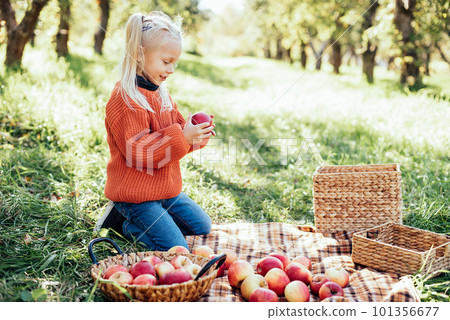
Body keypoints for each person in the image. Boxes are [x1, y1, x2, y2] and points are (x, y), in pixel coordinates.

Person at [101, 11, 215, 251]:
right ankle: (123, 224)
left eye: (175, 63)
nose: (171, 69)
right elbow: (139, 152)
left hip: (164, 191)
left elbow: (178, 137)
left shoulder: (161, 94)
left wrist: (195, 133)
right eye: (166, 62)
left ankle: (155, 221)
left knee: (202, 226)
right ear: (140, 54)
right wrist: (183, 136)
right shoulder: (126, 99)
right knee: (175, 246)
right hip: (136, 197)